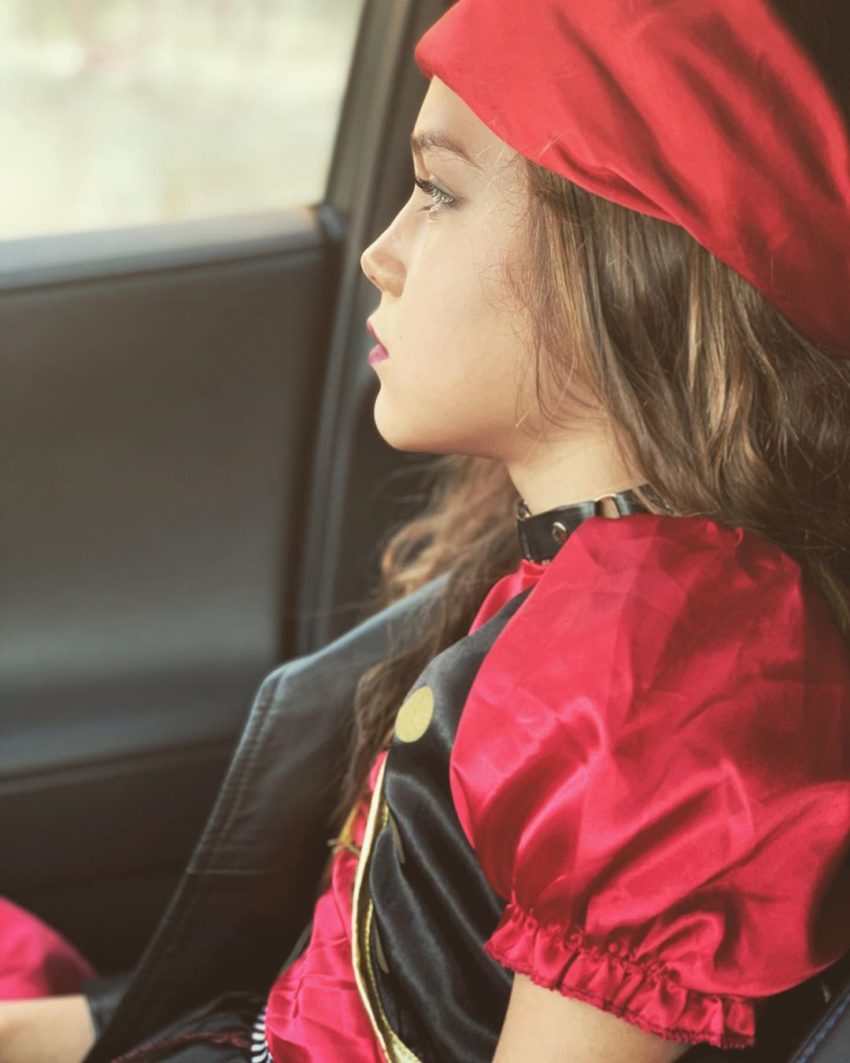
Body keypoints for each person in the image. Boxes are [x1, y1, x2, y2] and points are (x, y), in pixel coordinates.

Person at [3, 0, 850, 1059]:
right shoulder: (584, 581)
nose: (380, 253)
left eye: (438, 192)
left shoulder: (665, 656)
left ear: (633, 260)